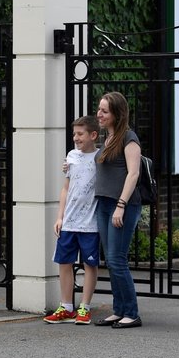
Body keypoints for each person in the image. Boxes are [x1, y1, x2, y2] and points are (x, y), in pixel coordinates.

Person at [92, 91, 143, 328]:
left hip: (121, 205)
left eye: (104, 111)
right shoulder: (107, 137)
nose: (99, 114)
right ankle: (119, 309)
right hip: (104, 204)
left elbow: (133, 174)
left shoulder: (128, 138)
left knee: (117, 259)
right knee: (111, 261)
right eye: (99, 109)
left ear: (117, 113)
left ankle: (131, 313)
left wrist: (120, 206)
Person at [43, 114, 100, 325]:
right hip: (69, 221)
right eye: (74, 134)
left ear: (93, 135)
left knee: (89, 264)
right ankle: (66, 306)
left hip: (90, 223)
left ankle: (84, 307)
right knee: (64, 262)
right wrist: (60, 217)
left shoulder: (100, 158)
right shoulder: (72, 156)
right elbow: (66, 188)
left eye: (80, 134)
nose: (76, 138)